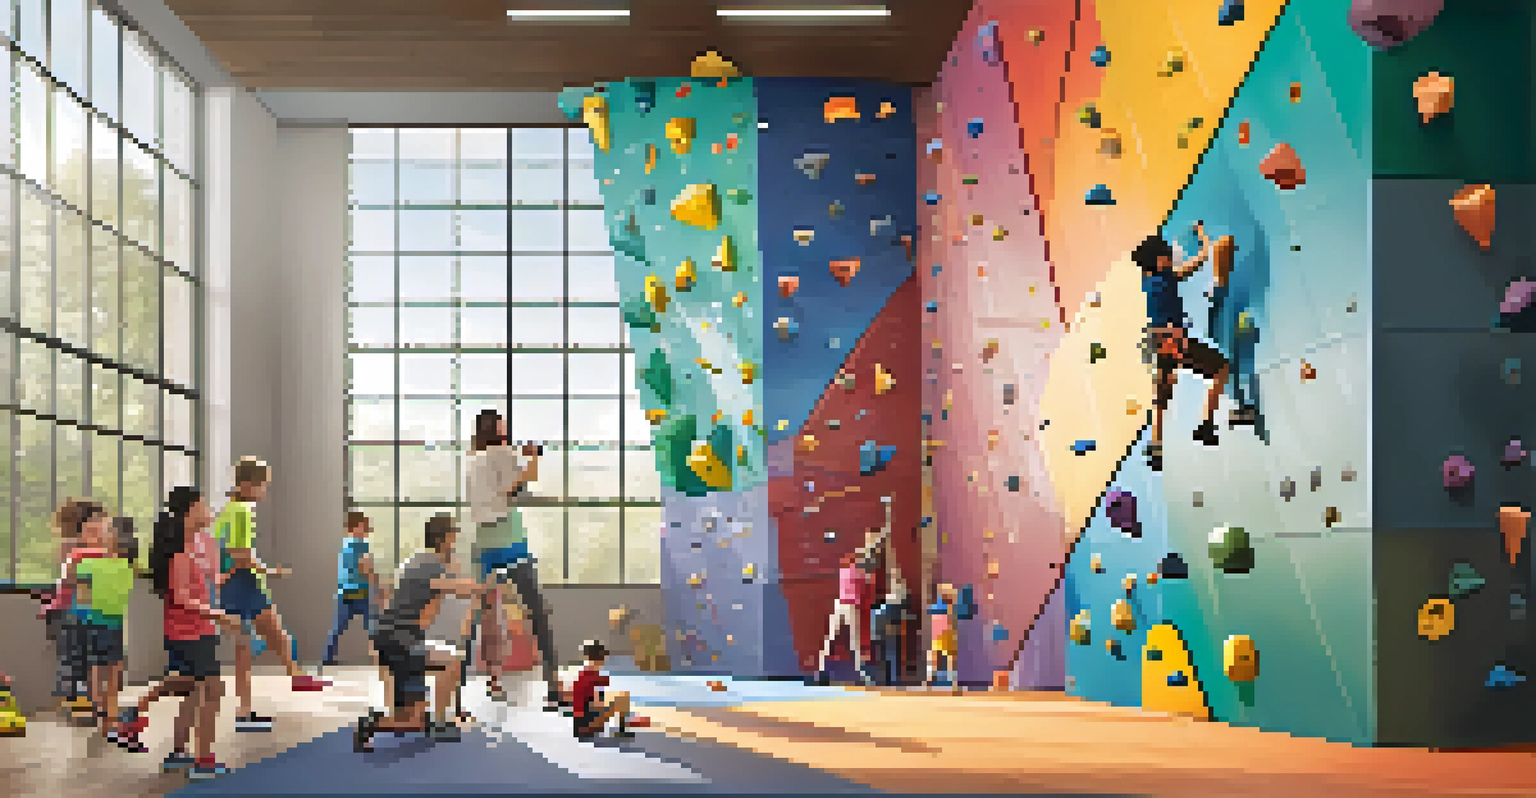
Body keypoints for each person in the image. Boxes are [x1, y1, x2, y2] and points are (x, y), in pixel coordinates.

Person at [127, 487, 244, 779]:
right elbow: (179, 597)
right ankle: (204, 761)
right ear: (190, 511)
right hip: (190, 631)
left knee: (191, 690)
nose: (209, 510)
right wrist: (217, 614)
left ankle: (177, 752)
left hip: (197, 629)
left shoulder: (197, 546)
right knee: (214, 690)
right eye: (203, 505)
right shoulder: (181, 552)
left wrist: (229, 575)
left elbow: (203, 585)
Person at [216, 456, 328, 734]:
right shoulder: (242, 511)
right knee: (274, 635)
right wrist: (269, 571)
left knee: (248, 646)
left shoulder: (229, 510)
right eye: (262, 485)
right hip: (243, 583)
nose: (265, 490)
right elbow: (239, 554)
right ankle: (294, 675)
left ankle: (247, 709)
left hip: (232, 584)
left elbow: (228, 551)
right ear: (246, 485)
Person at [355, 514, 484, 752]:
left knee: (414, 718)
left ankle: (382, 723)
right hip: (399, 641)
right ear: (445, 539)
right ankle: (436, 723)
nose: (455, 543)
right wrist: (485, 587)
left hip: (397, 639)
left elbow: (444, 591)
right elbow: (456, 588)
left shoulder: (417, 561)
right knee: (453, 663)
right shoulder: (429, 565)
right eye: (453, 537)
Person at [464, 409, 560, 710]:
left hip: (482, 543)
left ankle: (486, 680)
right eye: (504, 424)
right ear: (497, 428)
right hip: (509, 541)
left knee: (485, 616)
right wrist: (533, 459)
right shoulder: (503, 453)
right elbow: (513, 490)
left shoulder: (471, 459)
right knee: (537, 611)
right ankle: (553, 682)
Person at [1134, 222, 1231, 471]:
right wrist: (1201, 233)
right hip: (1174, 339)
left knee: (1163, 394)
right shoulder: (1169, 276)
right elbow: (1201, 258)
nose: (1170, 257)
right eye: (1166, 255)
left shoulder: (1147, 280)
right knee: (1221, 368)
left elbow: (1155, 262)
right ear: (1159, 262)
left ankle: (1156, 445)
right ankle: (1206, 424)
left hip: (1157, 341)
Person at [72, 515, 136, 741]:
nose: (101, 533)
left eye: (106, 530)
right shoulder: (92, 563)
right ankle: (104, 716)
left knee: (108, 670)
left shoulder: (112, 564)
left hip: (110, 624)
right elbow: (82, 598)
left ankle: (108, 719)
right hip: (100, 624)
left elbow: (83, 597)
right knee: (101, 670)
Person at [47, 500, 110, 721]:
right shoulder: (72, 545)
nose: (103, 525)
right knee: (74, 659)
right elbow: (72, 579)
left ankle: (91, 704)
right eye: (98, 520)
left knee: (89, 659)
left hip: (89, 611)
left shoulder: (97, 546)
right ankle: (75, 706)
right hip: (69, 610)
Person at [321, 511, 389, 670]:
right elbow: (366, 568)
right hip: (361, 592)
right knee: (373, 626)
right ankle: (381, 659)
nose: (367, 530)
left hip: (344, 591)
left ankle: (327, 659)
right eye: (364, 526)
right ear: (356, 527)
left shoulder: (344, 544)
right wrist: (378, 588)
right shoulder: (360, 544)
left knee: (338, 627)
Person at [815, 552, 872, 684]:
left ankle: (822, 668)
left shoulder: (845, 572)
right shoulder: (861, 575)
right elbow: (865, 591)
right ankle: (860, 670)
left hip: (840, 604)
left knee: (831, 638)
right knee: (854, 641)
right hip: (851, 606)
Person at [570, 640, 634, 741]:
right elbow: (595, 704)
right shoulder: (593, 676)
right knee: (622, 699)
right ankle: (622, 730)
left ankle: (620, 729)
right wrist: (609, 708)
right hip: (586, 726)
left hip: (579, 725)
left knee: (618, 698)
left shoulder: (583, 673)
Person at [926, 583, 961, 695]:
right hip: (942, 635)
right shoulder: (946, 607)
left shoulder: (940, 606)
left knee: (942, 658)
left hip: (942, 635)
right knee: (945, 658)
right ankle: (951, 684)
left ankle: (935, 681)